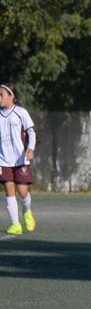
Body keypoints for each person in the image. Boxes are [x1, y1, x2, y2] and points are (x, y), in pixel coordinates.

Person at [0, 83, 37, 236]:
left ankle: (27, 211)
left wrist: (31, 148)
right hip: (2, 160)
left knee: (22, 192)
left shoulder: (21, 112)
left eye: (1, 95)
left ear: (11, 96)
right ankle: (15, 224)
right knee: (9, 190)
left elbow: (31, 132)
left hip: (20, 159)